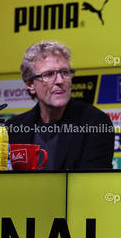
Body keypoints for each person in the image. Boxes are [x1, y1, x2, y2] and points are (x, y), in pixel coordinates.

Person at [6, 41, 114, 170]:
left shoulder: (95, 123)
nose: (60, 80)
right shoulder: (14, 128)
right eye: (48, 74)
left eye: (65, 72)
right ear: (30, 84)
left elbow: (92, 180)